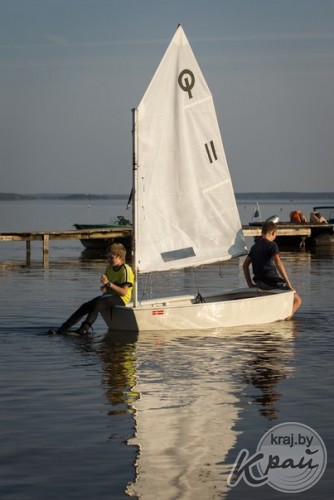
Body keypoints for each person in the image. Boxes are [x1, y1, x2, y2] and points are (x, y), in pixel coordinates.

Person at [50, 243, 134, 335]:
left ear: (119, 257)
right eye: (108, 257)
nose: (108, 260)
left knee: (97, 304)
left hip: (121, 298)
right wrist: (104, 286)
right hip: (109, 296)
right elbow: (107, 288)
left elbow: (124, 292)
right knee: (85, 306)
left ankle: (83, 329)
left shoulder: (126, 270)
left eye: (111, 257)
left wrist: (108, 284)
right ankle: (63, 328)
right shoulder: (109, 268)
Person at [243, 221, 302, 320]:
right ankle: (285, 322)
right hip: (270, 282)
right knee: (297, 301)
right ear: (273, 233)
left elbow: (245, 266)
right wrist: (288, 283)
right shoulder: (272, 245)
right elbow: (278, 264)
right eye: (276, 234)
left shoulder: (254, 246)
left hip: (259, 283)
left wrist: (250, 284)